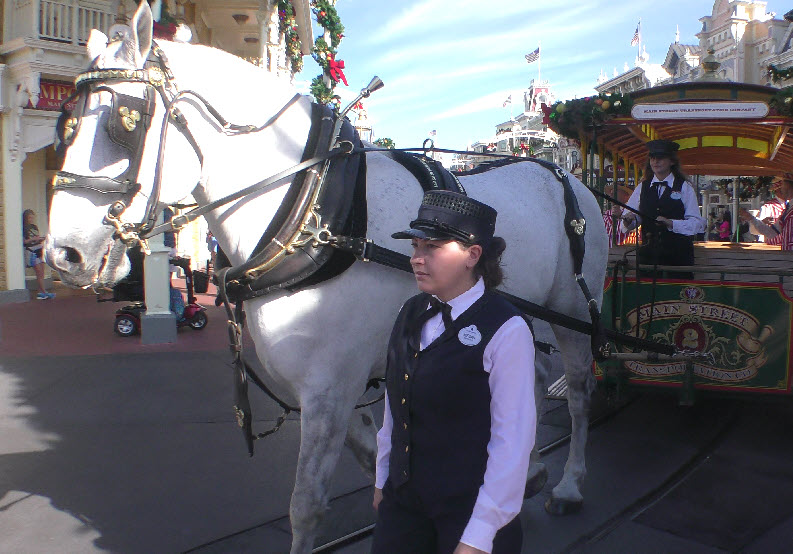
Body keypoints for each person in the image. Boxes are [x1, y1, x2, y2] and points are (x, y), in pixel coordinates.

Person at [371, 191, 536, 554]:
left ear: (472, 255)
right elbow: (393, 405)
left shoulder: (507, 330)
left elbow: (513, 442)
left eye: (431, 247)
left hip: (468, 512)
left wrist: (480, 533)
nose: (416, 259)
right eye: (415, 246)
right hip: (405, 503)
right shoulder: (409, 311)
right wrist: (384, 477)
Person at [619, 139, 704, 278]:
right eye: (652, 158)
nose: (655, 162)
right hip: (648, 256)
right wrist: (629, 220)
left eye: (660, 158)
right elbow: (633, 216)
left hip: (678, 257)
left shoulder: (684, 187)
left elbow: (696, 223)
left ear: (672, 161)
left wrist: (672, 223)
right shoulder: (643, 187)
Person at [740, 174, 793, 250]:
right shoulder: (786, 209)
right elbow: (772, 232)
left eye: (783, 186)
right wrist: (752, 219)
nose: (782, 190)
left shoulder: (788, 208)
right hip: (777, 251)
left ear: (789, 188)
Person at [22, 209, 55, 300]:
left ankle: (41, 291)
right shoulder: (24, 228)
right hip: (31, 250)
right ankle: (44, 292)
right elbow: (24, 241)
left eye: (32, 217)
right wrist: (32, 240)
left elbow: (36, 237)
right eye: (29, 217)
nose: (31, 219)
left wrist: (40, 239)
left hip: (39, 249)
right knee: (39, 271)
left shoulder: (34, 227)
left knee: (42, 273)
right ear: (26, 218)